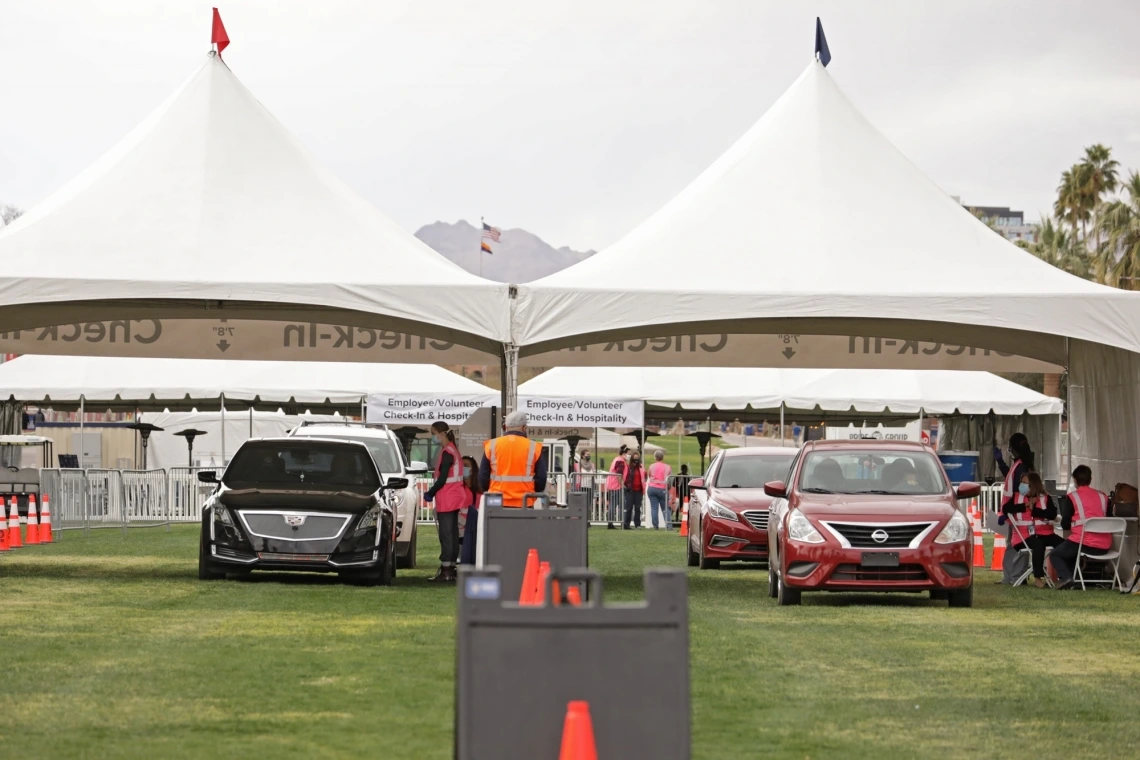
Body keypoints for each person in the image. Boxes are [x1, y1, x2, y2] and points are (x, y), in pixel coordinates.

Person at [1049, 465, 1114, 589]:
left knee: (1055, 554)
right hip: (1104, 546)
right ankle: (1077, 580)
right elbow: (1111, 519)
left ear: (1075, 480)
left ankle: (1066, 578)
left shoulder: (1073, 497)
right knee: (1069, 550)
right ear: (1090, 479)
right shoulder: (1103, 496)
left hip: (1083, 543)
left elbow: (1065, 524)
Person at [1002, 471, 1061, 587]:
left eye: (1025, 483)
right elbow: (1005, 509)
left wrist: (1035, 510)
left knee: (1064, 545)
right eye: (1021, 483)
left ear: (1033, 485)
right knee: (1038, 545)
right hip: (1022, 537)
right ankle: (1038, 579)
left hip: (1045, 534)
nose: (1021, 486)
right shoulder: (1017, 497)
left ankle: (1065, 576)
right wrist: (1026, 505)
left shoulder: (1045, 498)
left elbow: (1052, 514)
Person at [423, 421, 466, 582]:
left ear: (441, 434)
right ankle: (450, 567)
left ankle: (446, 570)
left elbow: (442, 479)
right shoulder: (452, 450)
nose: (432, 437)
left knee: (447, 534)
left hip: (447, 497)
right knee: (452, 534)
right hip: (453, 496)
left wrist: (431, 492)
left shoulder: (447, 452)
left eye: (433, 433)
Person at [478, 410, 547, 508]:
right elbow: (541, 479)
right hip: (524, 502)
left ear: (505, 427)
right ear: (524, 428)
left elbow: (483, 477)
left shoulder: (492, 445)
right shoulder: (534, 447)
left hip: (496, 501)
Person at [995, 433, 1034, 585]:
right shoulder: (1019, 465)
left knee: (1017, 545)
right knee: (1014, 544)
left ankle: (1015, 577)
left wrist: (1007, 511)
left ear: (1013, 448)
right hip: (1015, 511)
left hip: (1018, 512)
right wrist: (1001, 463)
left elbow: (1020, 489)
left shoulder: (1021, 466)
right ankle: (1011, 576)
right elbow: (1010, 479)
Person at [459, 455, 481, 565]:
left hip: (479, 528)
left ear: (473, 469)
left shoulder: (481, 489)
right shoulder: (457, 488)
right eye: (461, 466)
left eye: (466, 466)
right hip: (462, 529)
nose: (463, 468)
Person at [646, 450, 673, 530]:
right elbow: (670, 479)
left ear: (655, 457)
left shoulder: (651, 466)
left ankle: (655, 526)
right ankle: (669, 526)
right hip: (662, 489)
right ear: (662, 457)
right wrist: (668, 488)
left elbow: (649, 475)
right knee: (665, 508)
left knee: (654, 508)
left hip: (652, 488)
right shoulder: (668, 467)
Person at [605, 445, 630, 529]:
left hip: (613, 484)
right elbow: (619, 474)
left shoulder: (617, 459)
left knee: (614, 504)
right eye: (628, 454)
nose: (629, 455)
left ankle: (611, 523)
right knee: (619, 505)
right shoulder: (620, 461)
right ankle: (620, 523)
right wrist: (622, 485)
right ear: (624, 453)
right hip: (616, 485)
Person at [622, 450, 647, 530]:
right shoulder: (628, 467)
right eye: (635, 457)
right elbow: (625, 476)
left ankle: (637, 524)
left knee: (637, 508)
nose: (636, 459)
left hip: (639, 490)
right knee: (629, 508)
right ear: (632, 458)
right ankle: (626, 524)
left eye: (637, 457)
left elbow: (644, 476)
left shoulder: (641, 467)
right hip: (630, 490)